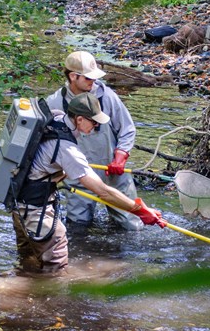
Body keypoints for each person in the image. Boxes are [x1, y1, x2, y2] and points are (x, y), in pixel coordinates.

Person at [12, 91, 165, 274]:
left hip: (17, 204)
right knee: (55, 269)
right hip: (36, 212)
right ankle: (48, 301)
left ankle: (19, 298)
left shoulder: (56, 117)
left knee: (28, 261)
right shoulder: (67, 150)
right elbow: (103, 191)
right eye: (94, 121)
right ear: (79, 120)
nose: (97, 125)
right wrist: (139, 210)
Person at [45, 51, 141, 232]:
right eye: (89, 78)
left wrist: (120, 157)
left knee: (131, 227)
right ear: (73, 76)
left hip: (114, 175)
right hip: (79, 177)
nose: (93, 82)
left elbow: (127, 129)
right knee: (78, 230)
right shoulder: (54, 103)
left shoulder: (107, 96)